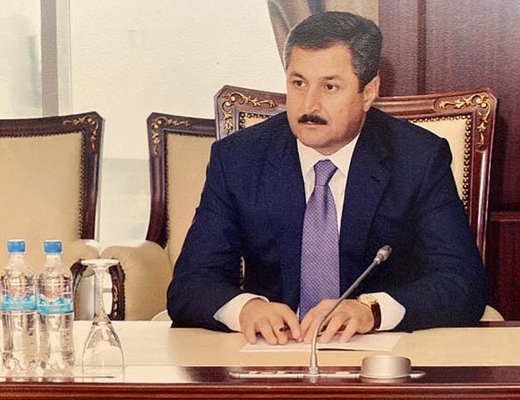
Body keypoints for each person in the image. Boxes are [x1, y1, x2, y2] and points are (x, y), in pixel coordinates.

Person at [168, 11, 487, 345]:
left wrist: (372, 310)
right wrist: (247, 309)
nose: (309, 105)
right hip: (272, 354)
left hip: (377, 354)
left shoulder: (417, 158)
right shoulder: (238, 158)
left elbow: (463, 282)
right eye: (298, 83)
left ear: (369, 92)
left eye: (330, 87)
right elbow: (191, 282)